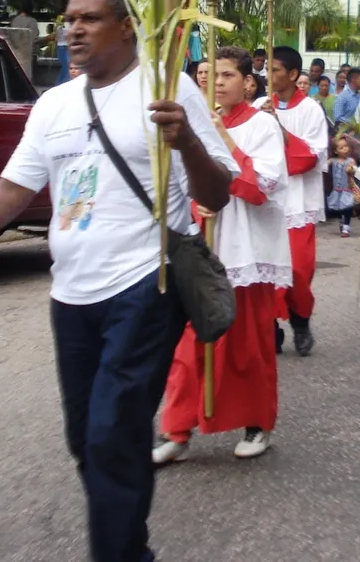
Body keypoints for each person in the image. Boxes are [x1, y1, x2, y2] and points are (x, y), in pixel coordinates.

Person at [0, 0, 236, 562]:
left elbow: (220, 191)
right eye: (68, 19)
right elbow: (11, 191)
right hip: (71, 297)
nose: (72, 29)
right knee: (87, 438)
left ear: (126, 26)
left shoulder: (165, 90)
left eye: (89, 19)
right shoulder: (53, 103)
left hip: (146, 283)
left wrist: (185, 143)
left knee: (111, 432)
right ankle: (129, 548)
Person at [154, 46, 290, 465]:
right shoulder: (185, 122)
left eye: (226, 74)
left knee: (247, 343)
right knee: (186, 343)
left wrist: (224, 140)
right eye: (205, 73)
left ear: (248, 82)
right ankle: (177, 428)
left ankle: (257, 422)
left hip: (245, 250)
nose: (213, 82)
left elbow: (261, 187)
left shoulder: (263, 127)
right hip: (198, 246)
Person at [257, 46, 329, 356]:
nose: (268, 75)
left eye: (275, 70)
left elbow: (309, 158)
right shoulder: (260, 105)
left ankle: (301, 322)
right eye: (267, 69)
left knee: (299, 270)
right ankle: (270, 326)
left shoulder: (311, 110)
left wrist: (279, 129)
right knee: (266, 268)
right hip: (269, 200)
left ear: (293, 74)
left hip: (299, 201)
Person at [327, 135, 360, 238]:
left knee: (347, 208)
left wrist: (351, 169)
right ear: (336, 151)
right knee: (338, 207)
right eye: (341, 147)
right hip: (337, 190)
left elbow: (354, 169)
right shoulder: (333, 160)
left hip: (347, 189)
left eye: (346, 146)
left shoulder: (350, 160)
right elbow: (324, 165)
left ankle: (346, 226)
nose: (345, 149)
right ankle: (342, 220)